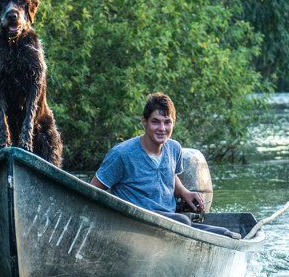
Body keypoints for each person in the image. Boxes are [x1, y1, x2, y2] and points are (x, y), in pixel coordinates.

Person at [90, 93, 238, 238]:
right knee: (183, 221)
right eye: (156, 121)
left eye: (167, 122)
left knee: (223, 232)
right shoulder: (122, 154)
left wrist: (184, 192)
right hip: (134, 225)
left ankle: (229, 236)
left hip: (169, 222)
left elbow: (170, 175)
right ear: (144, 122)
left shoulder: (174, 149)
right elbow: (93, 190)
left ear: (173, 123)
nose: (162, 128)